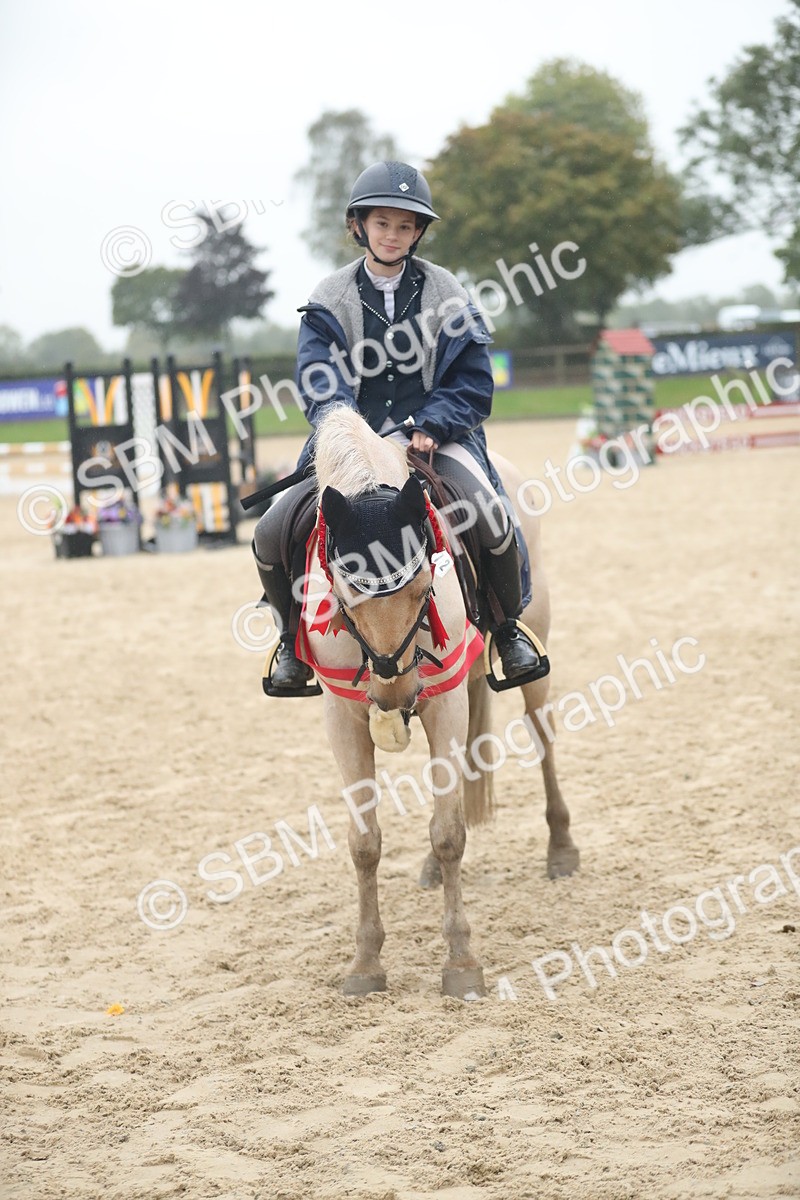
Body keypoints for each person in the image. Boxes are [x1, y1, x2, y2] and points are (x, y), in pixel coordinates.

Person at [253, 160, 540, 693]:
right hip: (348, 442)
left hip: (433, 440)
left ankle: (506, 631)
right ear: (359, 225)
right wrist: (349, 434)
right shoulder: (329, 296)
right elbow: (319, 378)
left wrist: (433, 422)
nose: (393, 235)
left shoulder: (446, 290)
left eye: (405, 225)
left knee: (490, 515)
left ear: (419, 232)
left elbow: (473, 382)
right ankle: (290, 643)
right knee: (273, 529)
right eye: (382, 222)